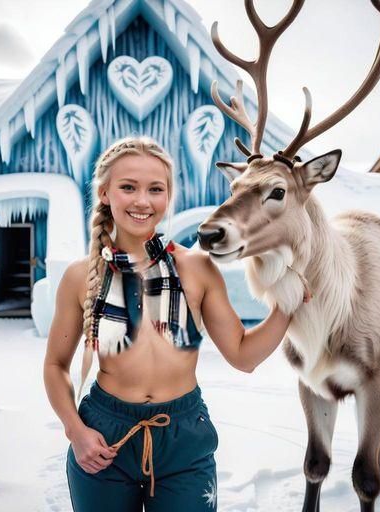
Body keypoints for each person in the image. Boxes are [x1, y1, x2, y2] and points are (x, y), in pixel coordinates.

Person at [43, 136, 292, 512]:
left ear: (168, 196)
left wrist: (287, 307)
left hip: (183, 437)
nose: (143, 201)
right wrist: (75, 430)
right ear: (106, 193)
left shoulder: (197, 268)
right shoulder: (82, 276)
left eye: (155, 189)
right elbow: (55, 365)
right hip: (104, 436)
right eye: (128, 187)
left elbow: (243, 355)